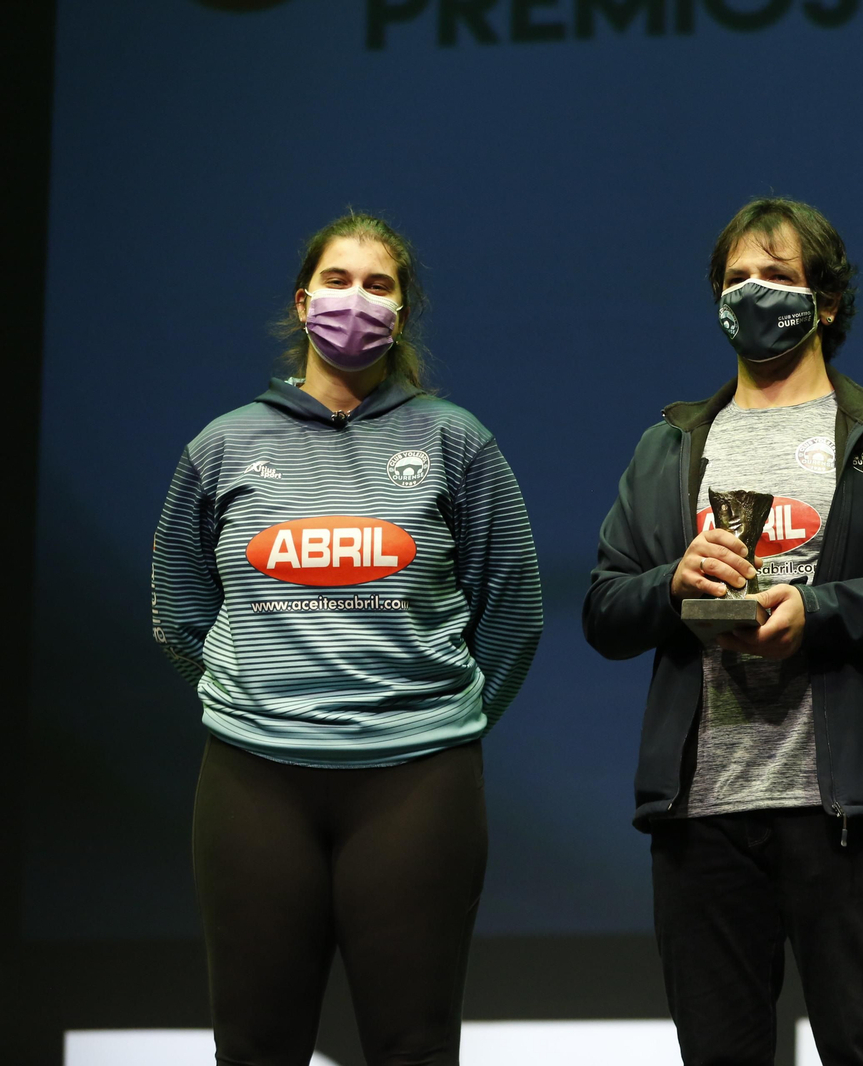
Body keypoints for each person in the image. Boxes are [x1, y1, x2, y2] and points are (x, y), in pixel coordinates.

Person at [583, 197, 863, 1066]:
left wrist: (821, 614)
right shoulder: (672, 444)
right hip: (703, 814)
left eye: (778, 276)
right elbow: (604, 609)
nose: (754, 294)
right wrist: (671, 585)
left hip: (842, 807)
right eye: (736, 279)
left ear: (826, 302)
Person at [151, 212, 543, 1065]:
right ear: (301, 302)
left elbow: (513, 613)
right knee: (254, 1046)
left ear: (402, 313)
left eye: (378, 285)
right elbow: (180, 612)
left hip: (417, 786)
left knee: (415, 1043)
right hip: (254, 780)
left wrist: (433, 721)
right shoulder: (222, 446)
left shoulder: (456, 441)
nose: (354, 301)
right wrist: (261, 699)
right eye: (337, 280)